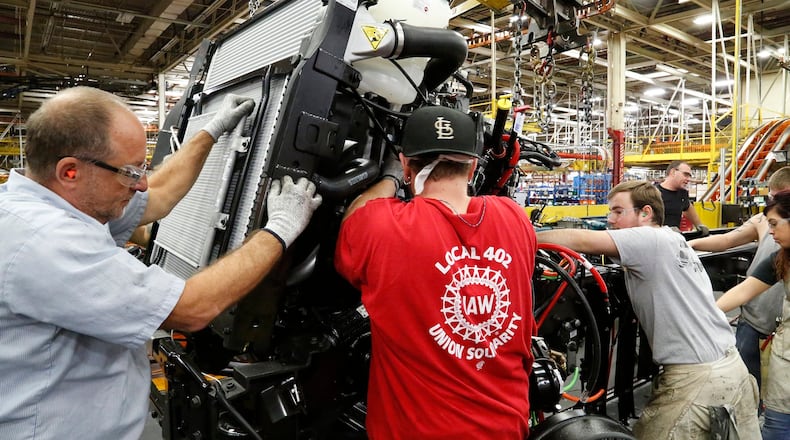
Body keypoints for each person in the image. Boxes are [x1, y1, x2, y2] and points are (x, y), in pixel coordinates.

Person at [0, 87, 322, 439]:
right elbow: (192, 308)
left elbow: (162, 193)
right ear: (70, 172)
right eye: (129, 171)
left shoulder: (59, 203)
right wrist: (278, 230)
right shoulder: (46, 240)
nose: (140, 185)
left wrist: (210, 132)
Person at [335, 106, 538, 439]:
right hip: (506, 429)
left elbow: (352, 224)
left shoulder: (381, 227)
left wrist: (387, 178)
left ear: (406, 166)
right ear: (472, 167)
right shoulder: (515, 217)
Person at [536, 180, 760, 439]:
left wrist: (518, 236)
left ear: (646, 213)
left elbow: (581, 239)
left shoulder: (649, 238)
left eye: (618, 211)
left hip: (696, 378)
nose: (610, 219)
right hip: (730, 367)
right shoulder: (672, 238)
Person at [689, 166, 790, 407]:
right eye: (772, 198)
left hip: (783, 327)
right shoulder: (764, 222)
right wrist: (689, 246)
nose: (771, 223)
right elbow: (727, 241)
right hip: (754, 320)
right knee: (746, 390)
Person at [717, 189, 790, 440]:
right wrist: (702, 316)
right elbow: (742, 293)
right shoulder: (780, 259)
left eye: (774, 224)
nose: (770, 232)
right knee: (777, 428)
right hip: (785, 369)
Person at [657, 160, 707, 233]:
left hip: (675, 239)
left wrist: (699, 225)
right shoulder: (653, 194)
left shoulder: (682, 194)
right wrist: (665, 230)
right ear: (673, 172)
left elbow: (687, 207)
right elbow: (643, 217)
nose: (688, 179)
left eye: (689, 176)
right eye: (685, 175)